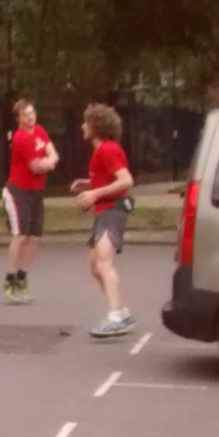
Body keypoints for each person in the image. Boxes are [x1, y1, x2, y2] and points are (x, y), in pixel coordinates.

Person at [74, 103, 136, 338]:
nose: (82, 126)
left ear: (96, 125)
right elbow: (109, 179)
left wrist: (95, 194)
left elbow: (125, 180)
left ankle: (116, 317)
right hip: (105, 211)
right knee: (95, 265)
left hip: (112, 211)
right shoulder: (103, 150)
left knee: (103, 263)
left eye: (85, 122)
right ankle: (122, 312)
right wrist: (89, 184)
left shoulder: (107, 149)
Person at [3, 100, 57, 304]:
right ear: (18, 118)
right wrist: (48, 162)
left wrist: (48, 161)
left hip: (36, 191)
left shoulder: (40, 131)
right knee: (21, 235)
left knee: (35, 237)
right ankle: (9, 278)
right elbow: (35, 167)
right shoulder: (20, 139)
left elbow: (53, 154)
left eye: (32, 113)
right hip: (18, 191)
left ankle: (22, 277)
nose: (30, 117)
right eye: (25, 114)